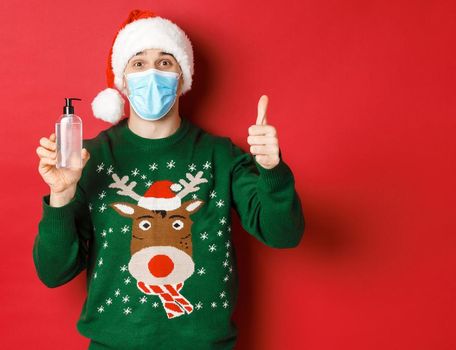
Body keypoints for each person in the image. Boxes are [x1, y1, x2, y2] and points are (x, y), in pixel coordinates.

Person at [33, 9, 305, 349]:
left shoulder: (220, 156)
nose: (151, 73)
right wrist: (60, 196)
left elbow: (284, 234)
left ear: (183, 76)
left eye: (165, 62)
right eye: (138, 63)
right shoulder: (87, 158)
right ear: (122, 80)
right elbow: (53, 272)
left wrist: (270, 172)